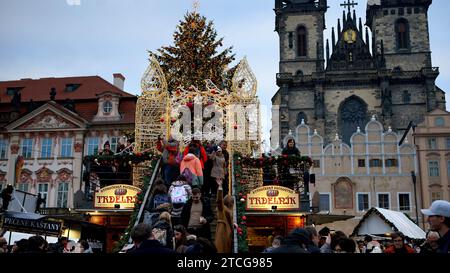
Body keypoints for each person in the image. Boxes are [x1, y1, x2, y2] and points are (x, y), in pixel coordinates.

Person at [214, 178, 234, 253]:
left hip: (226, 233)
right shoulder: (223, 209)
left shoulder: (227, 210)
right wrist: (220, 188)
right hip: (222, 232)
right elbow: (219, 201)